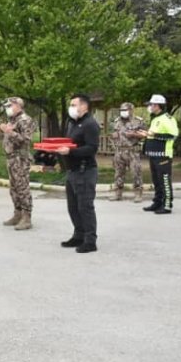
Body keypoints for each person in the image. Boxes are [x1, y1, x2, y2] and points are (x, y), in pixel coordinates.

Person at [55, 94, 100, 253]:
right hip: (72, 171)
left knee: (85, 207)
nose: (71, 107)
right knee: (73, 207)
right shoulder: (72, 123)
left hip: (85, 170)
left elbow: (91, 148)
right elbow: (70, 142)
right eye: (71, 104)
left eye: (74, 104)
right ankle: (78, 235)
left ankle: (90, 240)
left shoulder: (90, 124)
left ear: (84, 106)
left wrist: (70, 151)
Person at [0, 97, 35, 230]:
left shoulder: (25, 120)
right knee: (14, 188)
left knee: (22, 187)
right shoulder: (12, 120)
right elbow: (9, 139)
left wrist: (10, 132)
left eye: (10, 105)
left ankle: (26, 217)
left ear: (18, 105)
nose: (7, 108)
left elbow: (25, 141)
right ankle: (18, 213)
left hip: (20, 158)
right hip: (11, 158)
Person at [138, 94, 179, 215]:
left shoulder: (167, 119)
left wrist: (151, 135)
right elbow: (153, 134)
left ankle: (167, 205)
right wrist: (147, 135)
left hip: (163, 155)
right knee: (156, 180)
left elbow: (173, 135)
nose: (149, 107)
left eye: (151, 105)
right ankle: (157, 202)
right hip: (154, 155)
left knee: (164, 180)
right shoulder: (155, 118)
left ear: (157, 105)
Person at [109, 102, 146, 202]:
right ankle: (118, 193)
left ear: (131, 110)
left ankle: (138, 194)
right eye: (121, 110)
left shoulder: (138, 121)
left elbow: (145, 135)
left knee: (136, 173)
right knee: (118, 173)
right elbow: (112, 133)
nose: (123, 112)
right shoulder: (117, 121)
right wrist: (113, 136)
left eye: (125, 110)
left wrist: (134, 134)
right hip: (119, 151)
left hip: (132, 151)